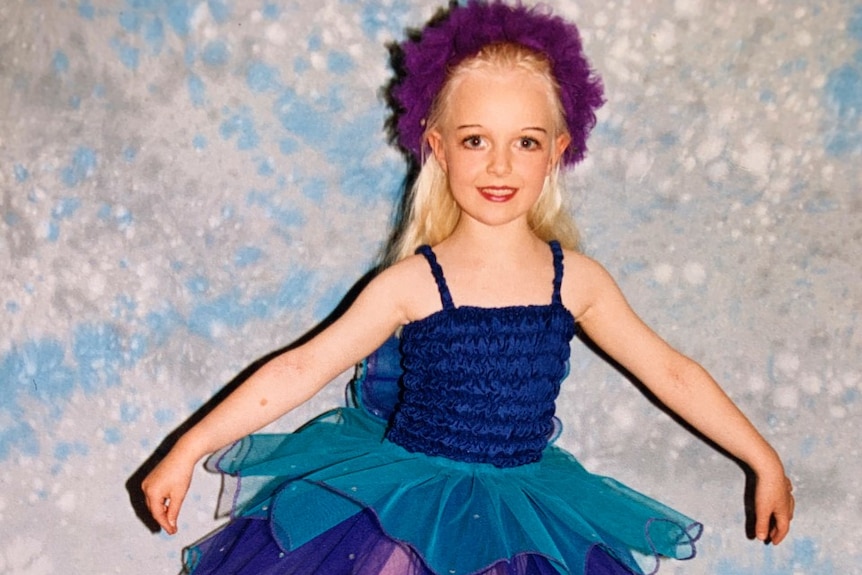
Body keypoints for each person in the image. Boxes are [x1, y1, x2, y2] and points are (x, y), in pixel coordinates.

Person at [141, 2, 794, 574]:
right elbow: (302, 367)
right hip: (404, 517)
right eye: (476, 139)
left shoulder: (578, 281)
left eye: (526, 142)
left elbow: (671, 372)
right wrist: (189, 446)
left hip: (527, 517)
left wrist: (763, 460)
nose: (501, 165)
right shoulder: (412, 283)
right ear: (439, 148)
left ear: (559, 150)